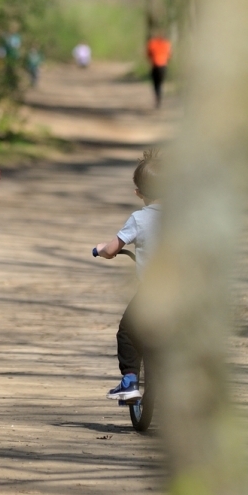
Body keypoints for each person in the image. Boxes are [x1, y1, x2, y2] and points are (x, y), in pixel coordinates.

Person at [94, 149, 161, 399]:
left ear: (138, 193)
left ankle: (130, 381)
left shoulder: (140, 219)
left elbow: (112, 249)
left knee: (128, 332)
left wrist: (101, 249)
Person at [146, 33, 172, 106]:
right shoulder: (167, 44)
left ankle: (158, 96)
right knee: (160, 83)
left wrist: (151, 60)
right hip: (163, 66)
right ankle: (159, 96)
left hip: (155, 66)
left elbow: (148, 54)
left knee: (156, 83)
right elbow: (169, 55)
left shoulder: (152, 43)